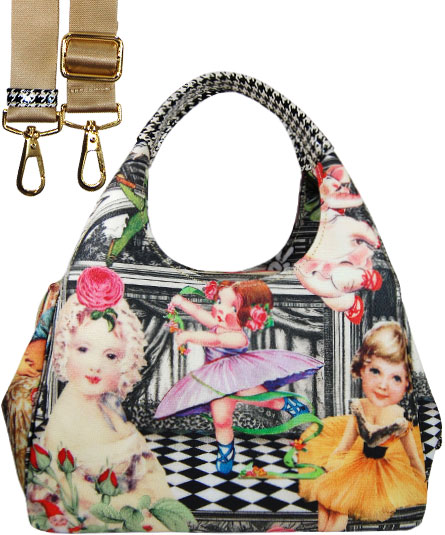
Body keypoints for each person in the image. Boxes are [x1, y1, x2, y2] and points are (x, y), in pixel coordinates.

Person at [27, 267, 177, 532]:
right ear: (64, 348)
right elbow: (74, 494)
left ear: (126, 360)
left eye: (110, 356)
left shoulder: (110, 409)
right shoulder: (66, 415)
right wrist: (133, 506)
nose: (95, 365)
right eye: (83, 349)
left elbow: (148, 472)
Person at [155, 279, 323, 473]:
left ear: (246, 315)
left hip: (239, 377)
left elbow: (216, 340)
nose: (221, 309)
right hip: (216, 381)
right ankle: (226, 451)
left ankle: (286, 404)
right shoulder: (217, 322)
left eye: (232, 308)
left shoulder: (238, 337)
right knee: (221, 420)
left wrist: (189, 336)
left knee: (262, 398)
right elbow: (200, 313)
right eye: (219, 302)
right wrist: (182, 302)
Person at [298, 321, 427, 531]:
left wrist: (422, 483)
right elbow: (343, 447)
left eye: (395, 377)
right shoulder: (360, 407)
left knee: (339, 504)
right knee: (326, 494)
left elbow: (413, 458)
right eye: (375, 371)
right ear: (362, 368)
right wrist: (331, 469)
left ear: (406, 383)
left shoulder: (399, 417)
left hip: (380, 475)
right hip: (354, 461)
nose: (383, 385)